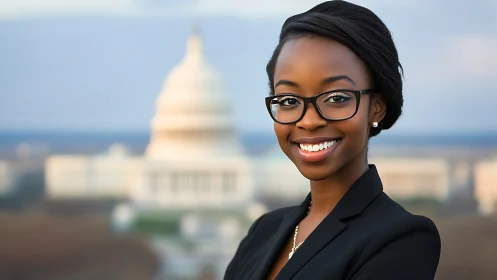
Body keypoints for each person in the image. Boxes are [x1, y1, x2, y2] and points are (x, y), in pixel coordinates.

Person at [224, 1, 441, 279]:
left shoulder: (401, 238)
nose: (309, 120)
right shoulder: (263, 231)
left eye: (336, 98)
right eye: (289, 100)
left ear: (377, 106)